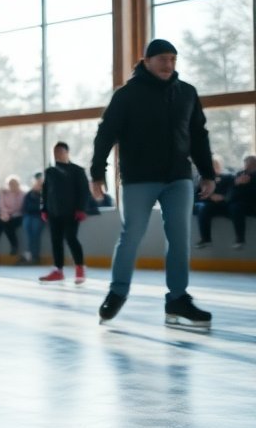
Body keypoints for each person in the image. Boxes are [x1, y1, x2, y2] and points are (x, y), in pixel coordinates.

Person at [91, 38, 215, 328]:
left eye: (173, 59)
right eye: (162, 59)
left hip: (178, 177)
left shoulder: (187, 93)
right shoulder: (127, 95)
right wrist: (97, 173)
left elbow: (199, 135)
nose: (168, 64)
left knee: (179, 238)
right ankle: (117, 292)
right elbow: (106, 133)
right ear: (146, 61)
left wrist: (208, 173)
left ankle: (178, 299)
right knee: (131, 235)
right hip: (139, 177)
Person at [39, 142, 91, 285]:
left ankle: (80, 268)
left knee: (71, 238)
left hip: (71, 212)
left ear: (67, 153)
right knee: (56, 241)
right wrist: (44, 209)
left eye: (61, 151)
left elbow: (84, 192)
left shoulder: (78, 171)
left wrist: (81, 209)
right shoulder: (50, 171)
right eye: (55, 152)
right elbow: (45, 192)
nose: (57, 154)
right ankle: (58, 270)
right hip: (53, 212)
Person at [194, 157, 235, 249]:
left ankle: (239, 239)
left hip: (223, 204)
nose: (213, 168)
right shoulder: (202, 180)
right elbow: (195, 196)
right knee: (203, 208)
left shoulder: (229, 178)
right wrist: (209, 196)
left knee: (235, 209)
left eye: (215, 165)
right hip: (206, 205)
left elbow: (233, 192)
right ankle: (206, 239)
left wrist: (223, 197)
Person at [0, 176, 25, 260]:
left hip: (17, 215)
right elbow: (1, 205)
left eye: (14, 184)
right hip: (5, 215)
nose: (12, 186)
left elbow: (19, 207)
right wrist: (5, 214)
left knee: (8, 225)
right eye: (10, 184)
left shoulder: (22, 194)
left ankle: (14, 245)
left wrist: (10, 214)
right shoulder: (4, 193)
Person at [226, 154, 256, 249]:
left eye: (250, 164)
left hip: (252, 203)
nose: (247, 166)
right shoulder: (240, 174)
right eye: (246, 163)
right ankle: (240, 239)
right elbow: (231, 192)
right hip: (240, 203)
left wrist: (249, 182)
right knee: (235, 207)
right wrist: (237, 183)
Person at [21, 172, 44, 265]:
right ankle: (29, 255)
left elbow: (41, 208)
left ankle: (35, 256)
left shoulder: (45, 194)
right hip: (28, 216)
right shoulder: (29, 194)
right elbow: (25, 206)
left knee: (35, 236)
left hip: (38, 217)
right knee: (29, 236)